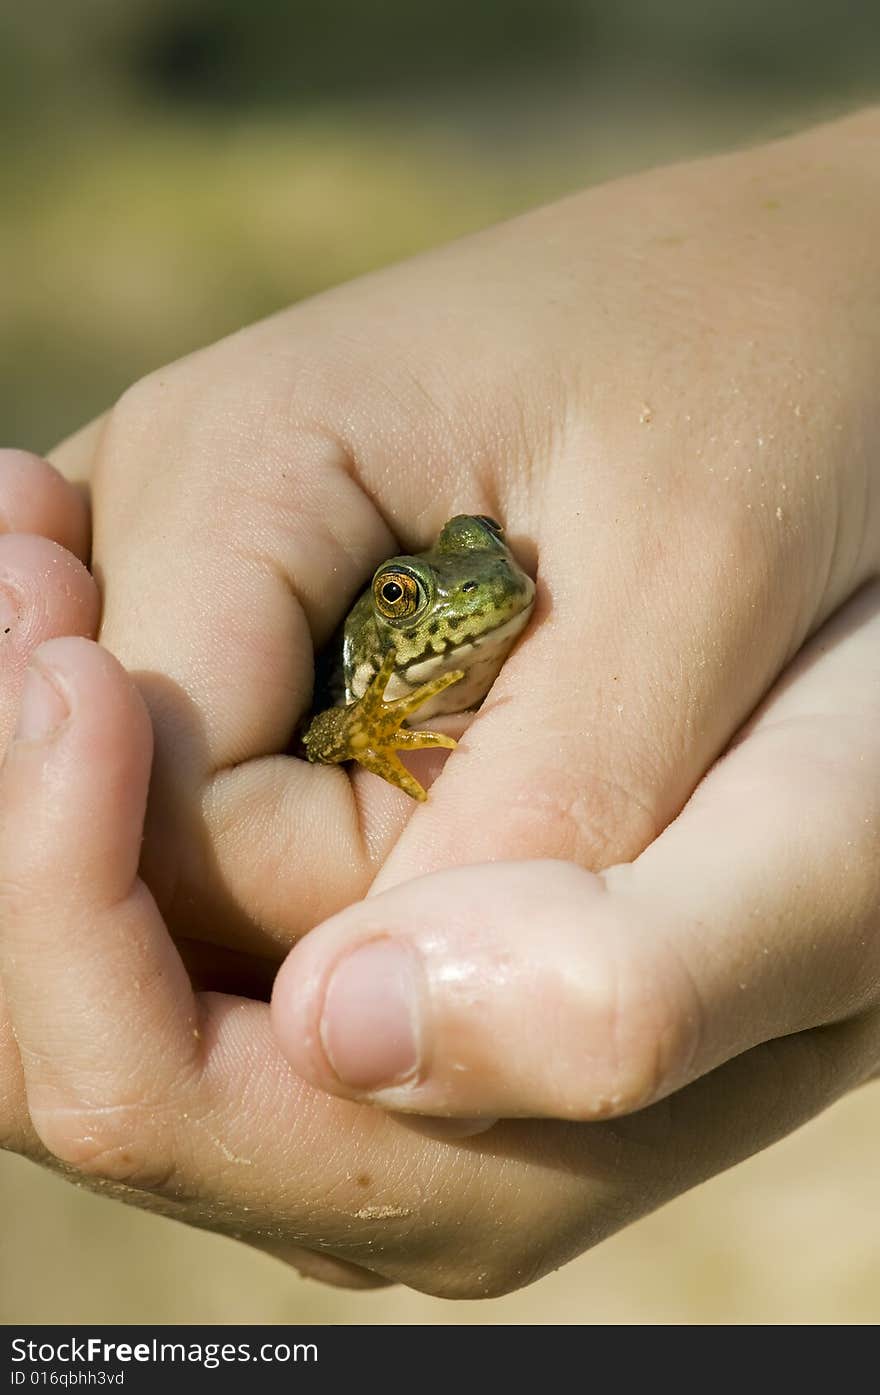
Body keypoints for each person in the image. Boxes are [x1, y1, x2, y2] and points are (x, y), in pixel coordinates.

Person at [0, 107, 877, 1299]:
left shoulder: (491, 581)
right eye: (412, 592)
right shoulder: (348, 710)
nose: (491, 585)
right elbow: (323, 733)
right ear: (380, 624)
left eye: (477, 556)